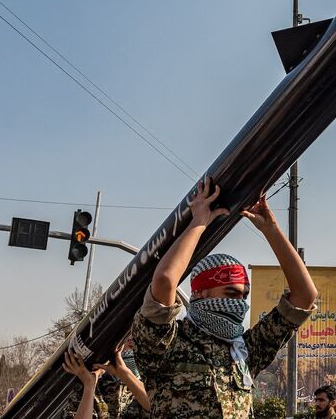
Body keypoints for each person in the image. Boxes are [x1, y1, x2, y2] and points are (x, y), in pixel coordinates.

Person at [130, 178, 317, 419]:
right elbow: (165, 280)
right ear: (199, 293)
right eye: (230, 293)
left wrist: (270, 229)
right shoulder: (166, 344)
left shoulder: (244, 350)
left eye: (243, 295)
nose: (239, 302)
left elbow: (305, 297)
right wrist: (199, 222)